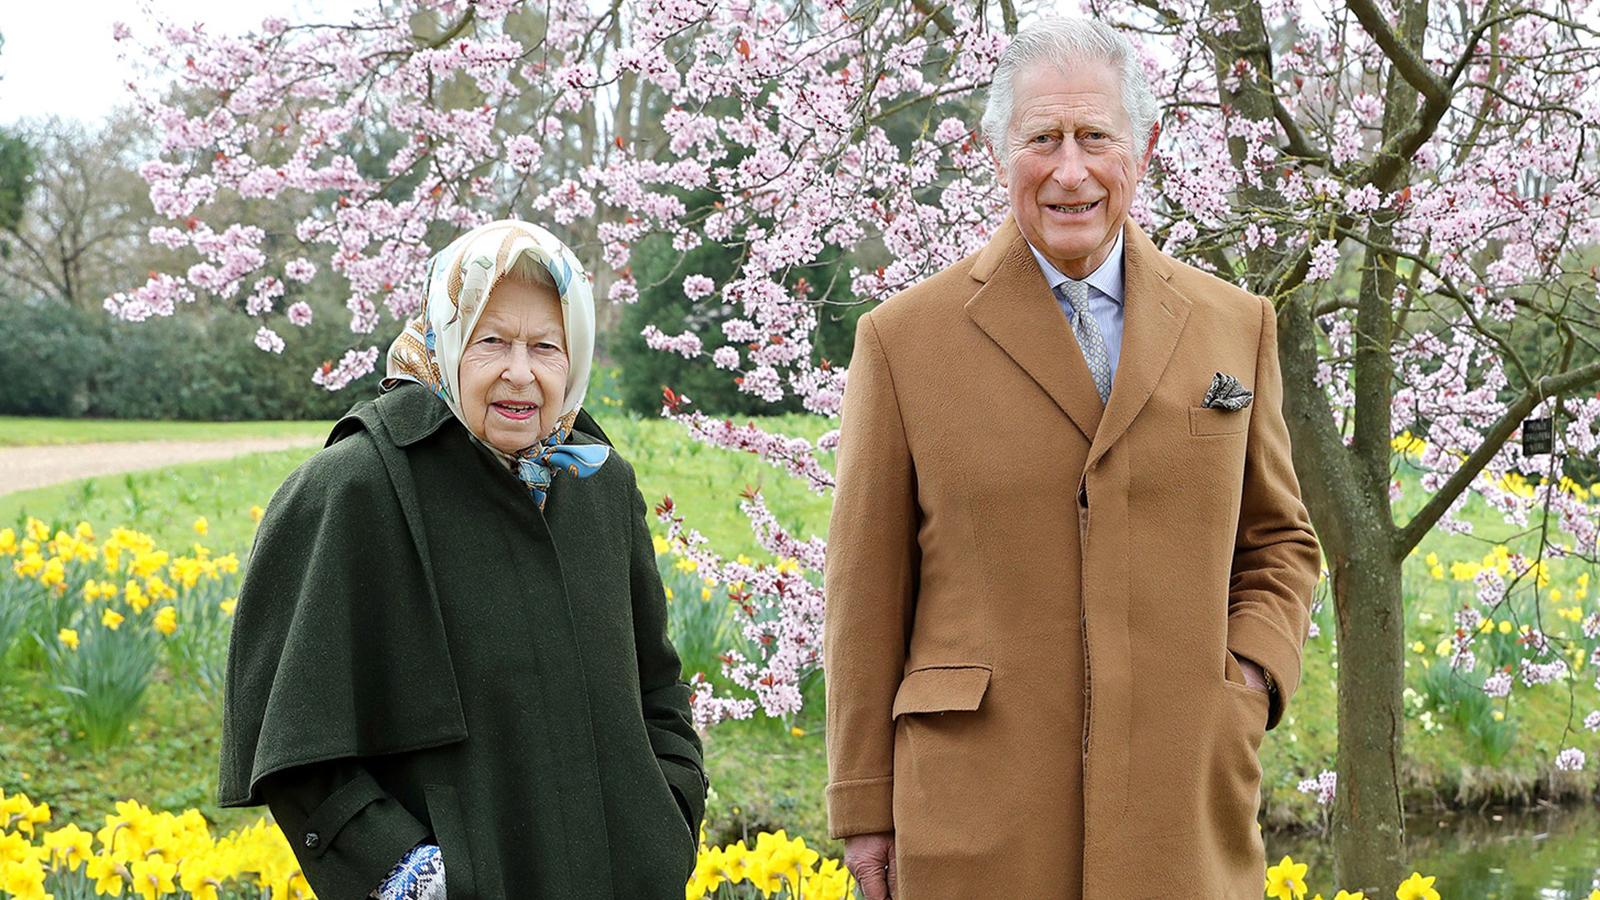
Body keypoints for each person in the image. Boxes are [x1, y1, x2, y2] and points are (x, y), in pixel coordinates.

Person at [822, 17, 1321, 900]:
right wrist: (864, 806)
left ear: (1146, 146)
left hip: (1182, 807)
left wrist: (1244, 681)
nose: (1070, 171)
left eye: (1095, 137)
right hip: (978, 815)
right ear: (995, 150)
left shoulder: (1236, 328)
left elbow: (1280, 542)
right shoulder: (902, 342)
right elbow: (865, 593)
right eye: (1042, 139)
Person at [218, 220, 707, 899]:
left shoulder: (598, 481)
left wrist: (671, 813)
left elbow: (657, 685)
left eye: (545, 346)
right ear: (446, 341)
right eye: (492, 342)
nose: (521, 372)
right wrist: (408, 875)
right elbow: (292, 737)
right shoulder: (356, 486)